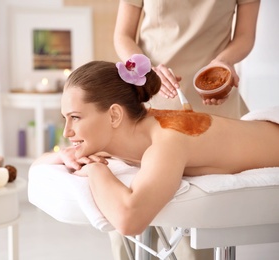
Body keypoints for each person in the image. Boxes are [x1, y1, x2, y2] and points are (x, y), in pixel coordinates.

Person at [32, 55, 279, 258]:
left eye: (75, 117)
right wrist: (65, 156)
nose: (67, 131)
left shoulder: (167, 140)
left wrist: (97, 171)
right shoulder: (115, 135)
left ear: (114, 115)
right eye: (65, 118)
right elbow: (39, 164)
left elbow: (130, 221)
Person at [114, 0, 260, 118]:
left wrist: (223, 62)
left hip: (216, 95)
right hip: (152, 92)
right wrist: (146, 72)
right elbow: (123, 36)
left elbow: (245, 36)